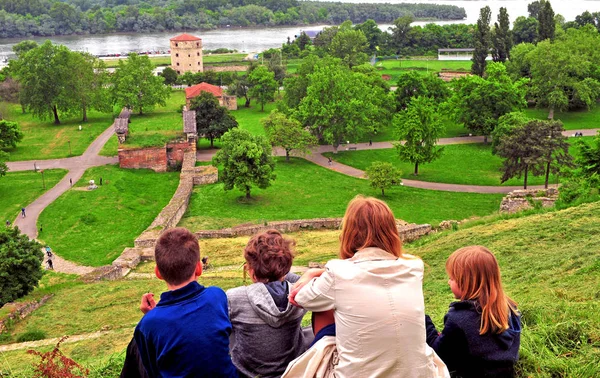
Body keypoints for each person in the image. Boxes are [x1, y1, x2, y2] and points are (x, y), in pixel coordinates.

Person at [288, 196, 448, 377]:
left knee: (323, 308)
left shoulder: (338, 272)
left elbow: (298, 297)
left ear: (349, 232)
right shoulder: (413, 267)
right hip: (418, 373)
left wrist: (312, 273)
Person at [132, 227, 238, 378]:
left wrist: (152, 316)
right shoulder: (217, 295)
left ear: (158, 273)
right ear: (199, 268)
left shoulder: (148, 325)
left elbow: (153, 371)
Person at [425, 246, 521, 378]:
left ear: (467, 282)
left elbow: (440, 355)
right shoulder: (510, 308)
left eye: (452, 278)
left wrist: (425, 322)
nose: (448, 282)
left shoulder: (459, 319)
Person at [227, 230, 311, 378]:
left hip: (247, 374)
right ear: (285, 269)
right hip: (292, 371)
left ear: (252, 272)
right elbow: (303, 280)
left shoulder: (235, 298)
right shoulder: (300, 294)